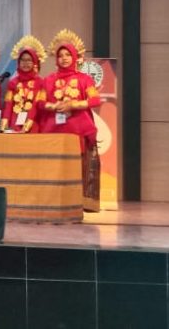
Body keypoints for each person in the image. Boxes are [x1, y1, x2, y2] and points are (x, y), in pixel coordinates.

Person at [39, 29, 102, 212]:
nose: (64, 58)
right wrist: (55, 106)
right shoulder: (48, 80)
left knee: (80, 167)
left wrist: (73, 104)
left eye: (68, 55)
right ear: (56, 59)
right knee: (55, 168)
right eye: (60, 56)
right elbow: (41, 103)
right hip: (54, 131)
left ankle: (82, 203)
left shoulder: (85, 79)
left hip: (79, 130)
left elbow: (95, 100)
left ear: (75, 57)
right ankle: (54, 201)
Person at [0, 35, 47, 133]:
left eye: (29, 60)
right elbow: (8, 105)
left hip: (34, 126)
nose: (25, 63)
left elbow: (37, 105)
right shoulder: (13, 82)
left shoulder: (41, 82)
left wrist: (27, 126)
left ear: (34, 63)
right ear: (18, 62)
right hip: (14, 127)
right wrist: (4, 125)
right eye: (23, 60)